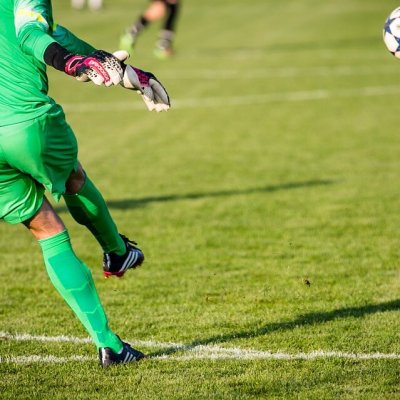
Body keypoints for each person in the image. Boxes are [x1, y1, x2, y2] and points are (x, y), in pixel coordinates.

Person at [0, 0, 169, 367]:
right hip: (25, 123)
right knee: (73, 176)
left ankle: (109, 345)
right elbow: (30, 35)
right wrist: (75, 63)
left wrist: (119, 69)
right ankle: (117, 251)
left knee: (45, 228)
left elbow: (56, 34)